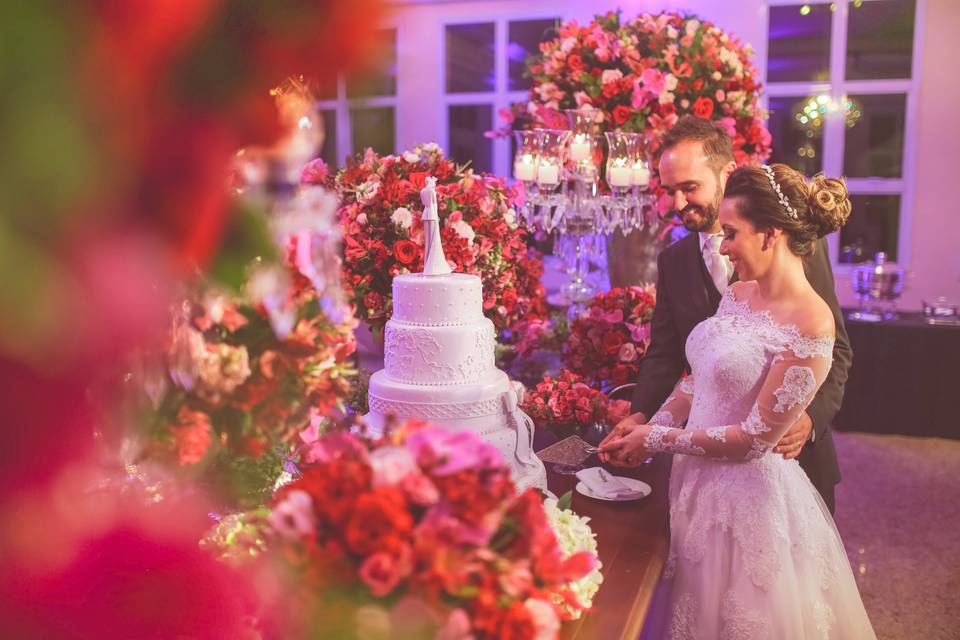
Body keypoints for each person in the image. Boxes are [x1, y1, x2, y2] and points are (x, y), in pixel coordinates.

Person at [600, 163, 875, 638]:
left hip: (747, 505)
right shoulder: (738, 293)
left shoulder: (812, 323)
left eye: (731, 234)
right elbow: (697, 379)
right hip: (693, 484)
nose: (723, 246)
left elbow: (752, 441)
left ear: (770, 234)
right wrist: (649, 430)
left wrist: (657, 438)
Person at [624, 116, 850, 513]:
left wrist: (810, 419)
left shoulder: (799, 247)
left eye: (689, 187)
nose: (678, 204)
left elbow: (836, 347)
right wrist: (642, 419)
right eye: (670, 191)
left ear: (727, 172)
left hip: (785, 463)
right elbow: (667, 356)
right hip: (705, 470)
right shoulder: (674, 261)